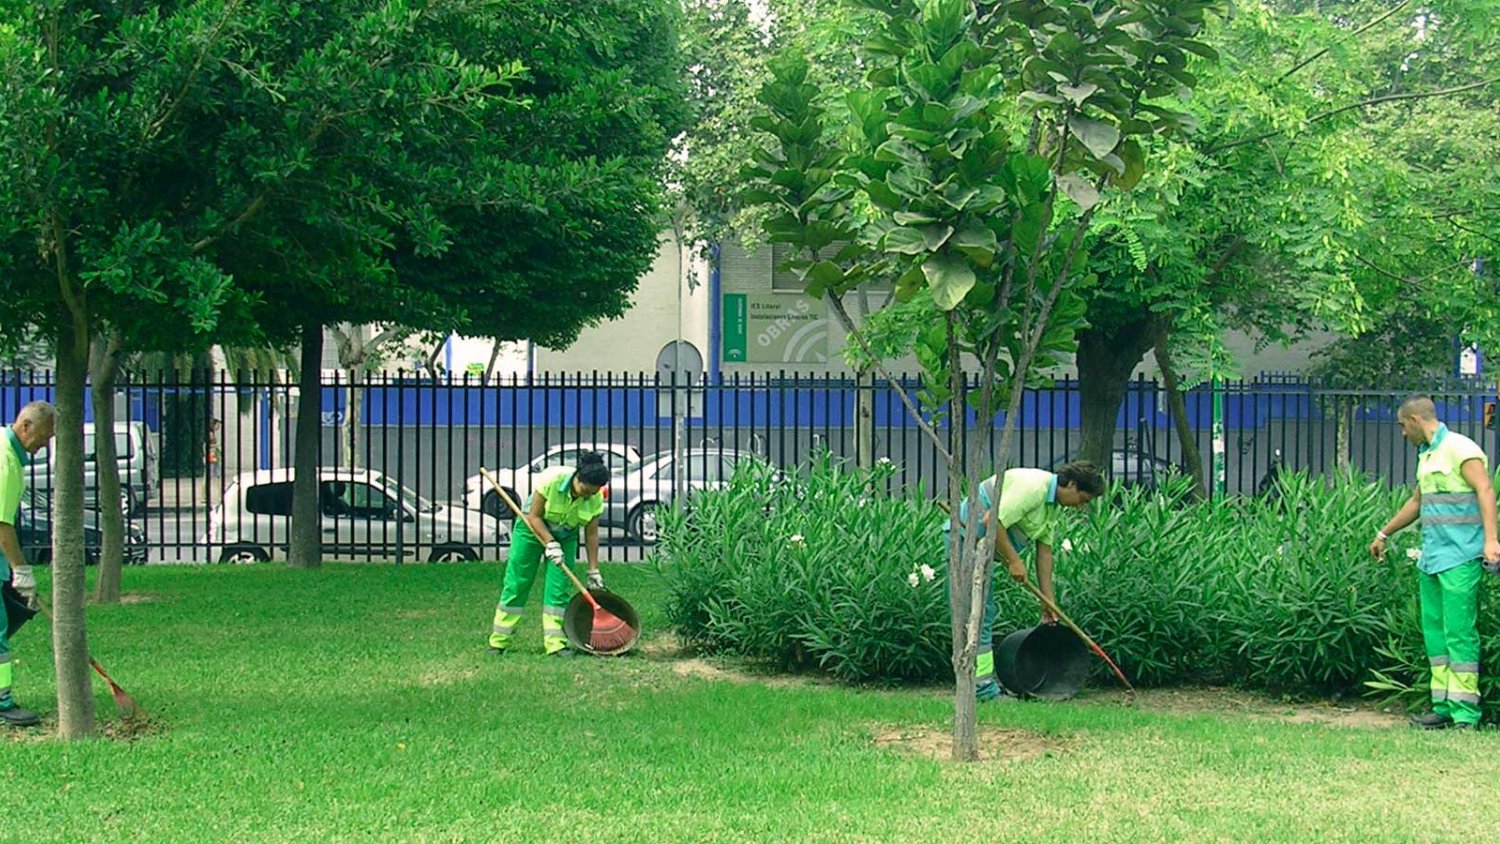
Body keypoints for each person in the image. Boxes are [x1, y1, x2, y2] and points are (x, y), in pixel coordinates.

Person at [1370, 395, 1500, 730]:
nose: (1402, 433)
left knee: (1459, 635)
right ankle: (1442, 707)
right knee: (1436, 637)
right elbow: (1418, 501)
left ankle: (1465, 714)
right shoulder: (1426, 455)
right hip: (1432, 559)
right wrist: (1383, 534)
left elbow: (1485, 490)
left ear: (1414, 420)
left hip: (1460, 557)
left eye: (1402, 425)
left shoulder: (1460, 448)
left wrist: (1491, 540)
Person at [945, 460, 1105, 702]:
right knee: (977, 615)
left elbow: (1045, 553)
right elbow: (991, 521)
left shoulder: (1051, 507)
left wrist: (1048, 602)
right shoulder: (1034, 488)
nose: (1081, 507)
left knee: (983, 613)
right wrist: (1014, 561)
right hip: (966, 540)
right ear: (1071, 484)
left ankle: (982, 683)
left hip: (984, 548)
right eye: (1083, 499)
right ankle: (982, 690)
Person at [487, 451, 611, 657]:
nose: (586, 496)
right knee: (517, 582)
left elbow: (591, 533)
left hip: (567, 535)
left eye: (591, 493)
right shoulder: (552, 479)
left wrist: (593, 569)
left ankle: (555, 644)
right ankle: (499, 641)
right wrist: (550, 543)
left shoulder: (595, 497)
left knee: (558, 588)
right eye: (584, 490)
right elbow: (534, 517)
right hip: (530, 529)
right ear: (577, 478)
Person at [0, 401, 58, 727]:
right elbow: (2, 526)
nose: (44, 446)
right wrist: (22, 571)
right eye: (44, 437)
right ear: (25, 427)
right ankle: (2, 701)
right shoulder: (6, 462)